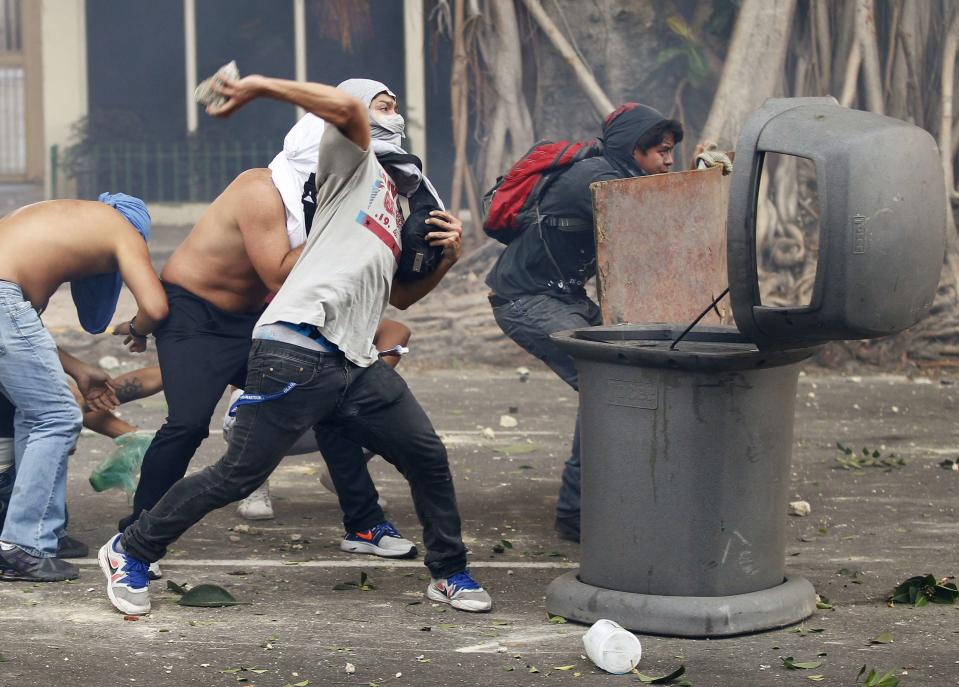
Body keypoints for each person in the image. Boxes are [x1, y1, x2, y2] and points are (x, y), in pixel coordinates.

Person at [99, 73, 491, 617]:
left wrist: (446, 261)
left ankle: (447, 571)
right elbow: (345, 115)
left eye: (394, 102)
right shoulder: (346, 169)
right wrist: (258, 85)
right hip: (295, 344)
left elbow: (400, 297)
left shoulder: (389, 198)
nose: (392, 106)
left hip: (351, 357)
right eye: (379, 101)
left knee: (426, 455)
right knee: (234, 472)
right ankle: (131, 548)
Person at [485, 104, 689, 543]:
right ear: (634, 148)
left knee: (628, 375)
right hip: (528, 301)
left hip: (563, 299)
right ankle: (578, 514)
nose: (669, 161)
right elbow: (665, 214)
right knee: (606, 382)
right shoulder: (597, 179)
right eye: (662, 152)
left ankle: (611, 499)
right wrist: (708, 178)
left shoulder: (616, 176)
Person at [0, 193, 167, 581]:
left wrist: (79, 369)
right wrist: (139, 329)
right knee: (56, 417)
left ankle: (43, 533)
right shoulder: (123, 229)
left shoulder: (57, 218)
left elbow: (20, 330)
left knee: (37, 414)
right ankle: (22, 545)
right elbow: (155, 308)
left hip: (7, 301)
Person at [232, 318, 411, 528]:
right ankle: (253, 477)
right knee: (243, 401)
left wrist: (368, 381)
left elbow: (398, 330)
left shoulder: (336, 308)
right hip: (271, 410)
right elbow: (240, 381)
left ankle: (344, 477)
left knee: (379, 409)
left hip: (323, 408)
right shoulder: (270, 313)